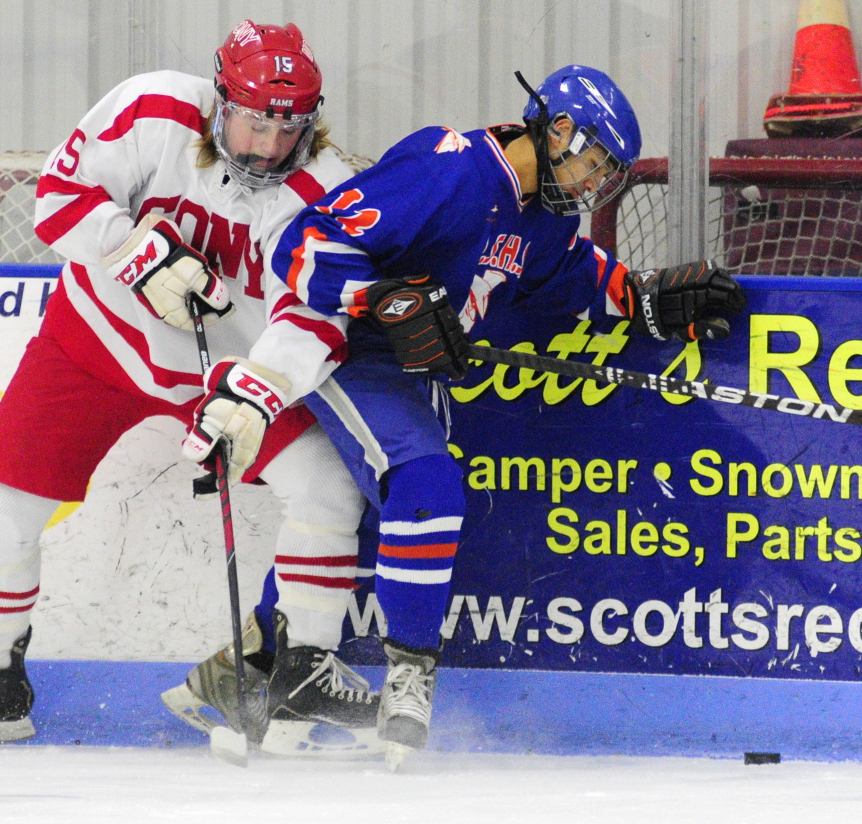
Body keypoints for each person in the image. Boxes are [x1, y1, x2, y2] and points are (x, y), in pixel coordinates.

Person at [191, 64, 747, 770]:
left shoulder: (547, 219)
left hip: (410, 376)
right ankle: (409, 680)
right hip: (344, 352)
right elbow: (301, 247)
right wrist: (381, 301)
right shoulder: (448, 170)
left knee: (370, 515)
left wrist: (643, 301)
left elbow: (569, 273)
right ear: (559, 130)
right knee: (427, 489)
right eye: (593, 162)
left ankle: (255, 669)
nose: (592, 183)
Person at [0, 19, 383, 757]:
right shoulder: (153, 110)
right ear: (221, 100)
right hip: (96, 340)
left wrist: (256, 391)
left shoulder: (328, 188)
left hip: (224, 374)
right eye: (255, 121)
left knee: (327, 489)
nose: (271, 145)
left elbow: (315, 314)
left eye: (290, 127)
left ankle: (299, 680)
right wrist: (134, 250)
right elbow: (58, 195)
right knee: (1, 497)